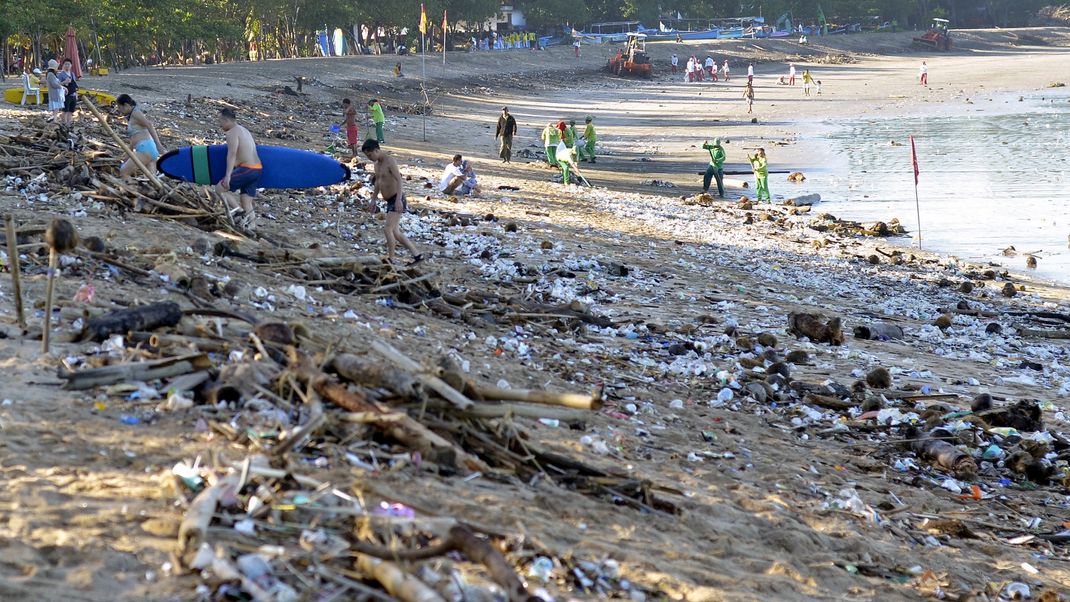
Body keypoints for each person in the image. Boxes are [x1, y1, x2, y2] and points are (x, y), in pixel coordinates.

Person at [361, 139, 422, 264]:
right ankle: (417, 254)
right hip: (389, 200)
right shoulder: (377, 165)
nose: (370, 158)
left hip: (396, 198)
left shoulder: (390, 161)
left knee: (387, 229)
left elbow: (399, 180)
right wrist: (373, 200)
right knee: (396, 232)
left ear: (376, 150)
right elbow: (378, 182)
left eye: (370, 155)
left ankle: (391, 258)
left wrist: (399, 200)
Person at [215, 107, 263, 230]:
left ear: (226, 120)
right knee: (246, 199)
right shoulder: (244, 130)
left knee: (220, 189)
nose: (220, 125)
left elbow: (232, 154)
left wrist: (228, 175)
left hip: (247, 169)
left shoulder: (232, 132)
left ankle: (240, 212)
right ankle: (252, 225)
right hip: (257, 169)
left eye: (220, 121)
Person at [116, 94, 165, 178]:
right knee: (151, 180)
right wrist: (127, 157)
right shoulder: (133, 115)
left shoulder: (135, 113)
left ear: (126, 105)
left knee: (124, 172)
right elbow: (133, 141)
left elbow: (149, 125)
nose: (120, 111)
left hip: (145, 149)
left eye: (120, 107)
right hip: (150, 149)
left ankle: (128, 190)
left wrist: (158, 144)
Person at [58, 58, 78, 126]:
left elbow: (74, 84)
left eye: (68, 64)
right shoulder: (61, 75)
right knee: (65, 110)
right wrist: (64, 82)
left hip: (73, 94)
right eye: (65, 64)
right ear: (63, 65)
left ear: (71, 65)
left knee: (71, 110)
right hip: (65, 95)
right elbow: (57, 84)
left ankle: (69, 123)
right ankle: (64, 123)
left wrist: (76, 94)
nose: (67, 65)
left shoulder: (72, 74)